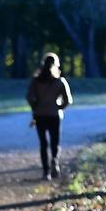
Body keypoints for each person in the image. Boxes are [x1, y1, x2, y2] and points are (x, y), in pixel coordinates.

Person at [26, 52, 73, 180]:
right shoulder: (60, 81)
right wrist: (60, 107)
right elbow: (68, 100)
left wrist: (35, 107)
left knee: (43, 143)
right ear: (56, 65)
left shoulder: (36, 81)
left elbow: (29, 97)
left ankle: (46, 172)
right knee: (55, 141)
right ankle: (54, 160)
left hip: (40, 114)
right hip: (54, 115)